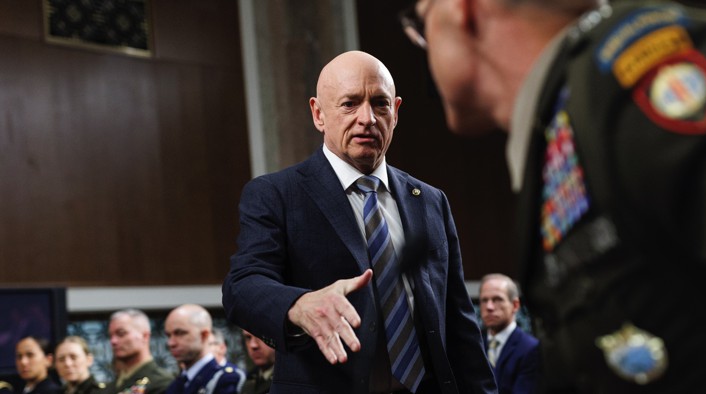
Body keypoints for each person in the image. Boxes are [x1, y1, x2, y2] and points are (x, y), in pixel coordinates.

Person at [401, 0, 706, 392]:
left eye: (420, 23)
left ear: (463, 10)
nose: (423, 47)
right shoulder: (566, 122)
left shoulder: (636, 81)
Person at [222, 50, 497, 394]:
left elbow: (459, 324)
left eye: (379, 103)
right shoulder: (277, 193)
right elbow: (241, 287)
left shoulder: (430, 201)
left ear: (395, 113)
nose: (367, 118)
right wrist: (297, 305)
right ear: (318, 114)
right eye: (350, 104)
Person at [478, 274, 539, 394]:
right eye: (484, 300)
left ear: (515, 305)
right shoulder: (474, 347)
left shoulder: (531, 348)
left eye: (497, 299)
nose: (489, 307)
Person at [163, 305, 243, 394]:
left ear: (204, 335)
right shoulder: (178, 383)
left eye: (180, 333)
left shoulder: (226, 379)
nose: (171, 343)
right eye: (168, 335)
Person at [108, 309, 173, 394]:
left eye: (121, 333)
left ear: (144, 336)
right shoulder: (113, 384)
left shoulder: (162, 382)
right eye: (110, 336)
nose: (113, 341)